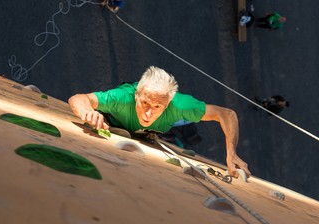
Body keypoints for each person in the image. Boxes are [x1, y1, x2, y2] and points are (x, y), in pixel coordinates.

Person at [68, 66, 251, 178]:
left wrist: (231, 152)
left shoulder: (179, 104)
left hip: (152, 133)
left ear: (168, 103)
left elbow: (226, 114)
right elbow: (79, 98)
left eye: (157, 106)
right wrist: (89, 112)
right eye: (144, 102)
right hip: (114, 124)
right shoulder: (122, 97)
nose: (148, 112)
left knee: (180, 125)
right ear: (137, 94)